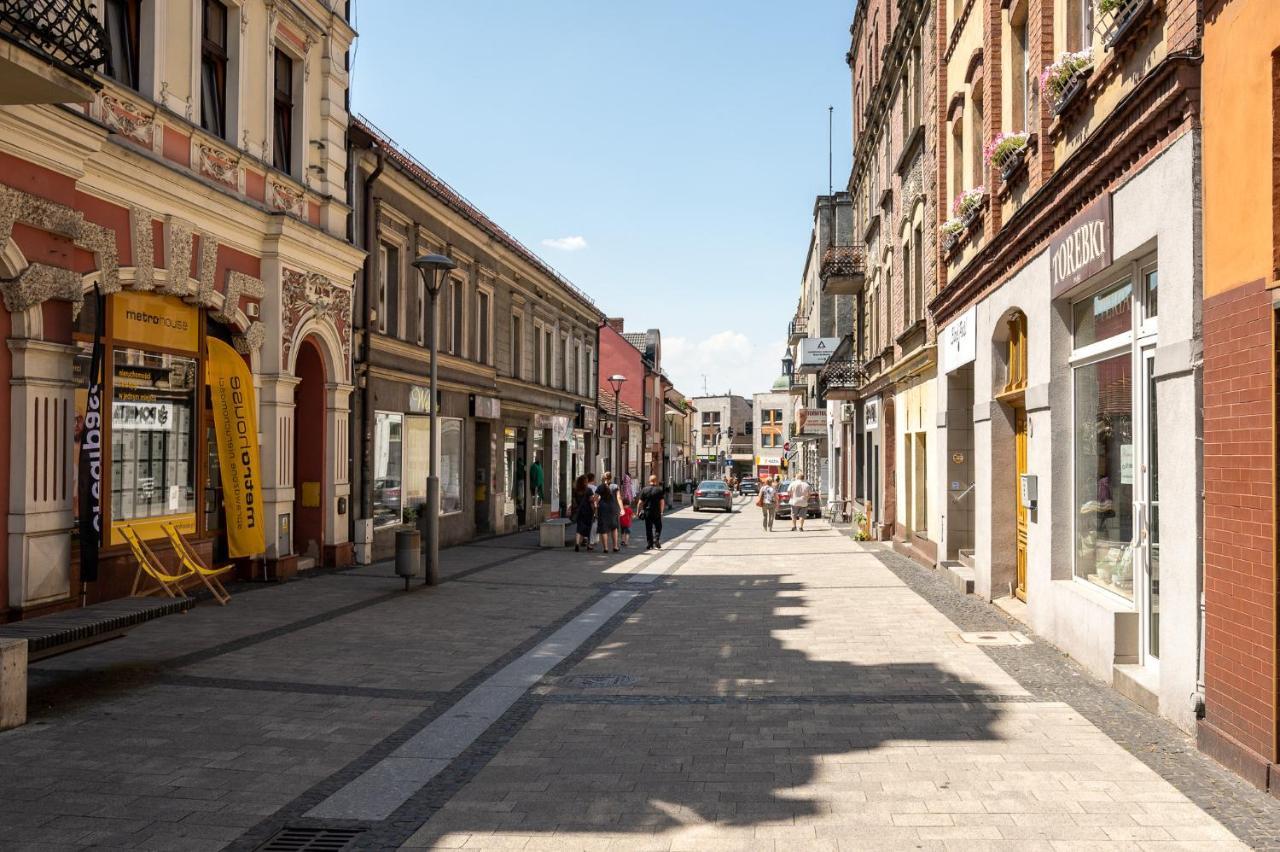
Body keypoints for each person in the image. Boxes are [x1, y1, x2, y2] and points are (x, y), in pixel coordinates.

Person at [596, 471, 623, 553]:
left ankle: (606, 548)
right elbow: (619, 498)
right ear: (611, 478)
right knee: (614, 527)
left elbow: (595, 498)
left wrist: (596, 504)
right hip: (613, 508)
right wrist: (622, 509)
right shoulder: (615, 486)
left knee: (604, 528)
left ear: (603, 478)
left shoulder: (600, 487)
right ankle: (615, 546)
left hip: (603, 509)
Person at [637, 474, 666, 550]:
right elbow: (662, 502)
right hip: (656, 512)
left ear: (649, 481)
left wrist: (638, 512)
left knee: (648, 528)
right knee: (658, 526)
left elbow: (640, 502)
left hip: (647, 512)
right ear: (656, 481)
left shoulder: (644, 490)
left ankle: (650, 544)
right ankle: (656, 539)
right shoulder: (659, 490)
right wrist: (662, 512)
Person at [571, 474, 597, 552]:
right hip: (588, 511)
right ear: (585, 482)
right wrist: (594, 511)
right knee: (589, 528)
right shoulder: (588, 490)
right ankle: (589, 545)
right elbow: (591, 501)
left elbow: (574, 501)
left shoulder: (576, 490)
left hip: (579, 511)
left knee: (579, 528)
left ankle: (577, 544)